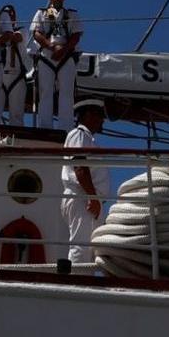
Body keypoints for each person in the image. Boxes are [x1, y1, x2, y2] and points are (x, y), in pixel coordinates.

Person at [61, 99, 109, 264]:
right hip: (83, 197)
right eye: (99, 115)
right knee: (81, 247)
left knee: (89, 248)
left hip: (87, 198)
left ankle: (84, 282)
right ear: (88, 115)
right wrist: (92, 197)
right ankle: (75, 285)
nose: (102, 120)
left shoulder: (86, 137)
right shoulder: (78, 134)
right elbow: (80, 166)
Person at [30, 0, 83, 129]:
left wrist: (63, 50)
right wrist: (51, 47)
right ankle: (44, 127)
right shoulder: (41, 13)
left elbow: (76, 36)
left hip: (66, 56)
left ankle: (65, 128)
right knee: (45, 92)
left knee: (66, 93)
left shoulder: (72, 15)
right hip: (47, 55)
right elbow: (36, 33)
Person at [0, 3, 29, 126]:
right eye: (6, 13)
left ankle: (15, 139)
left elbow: (17, 38)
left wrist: (0, 36)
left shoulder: (21, 30)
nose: (10, 15)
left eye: (12, 13)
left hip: (16, 75)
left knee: (16, 114)